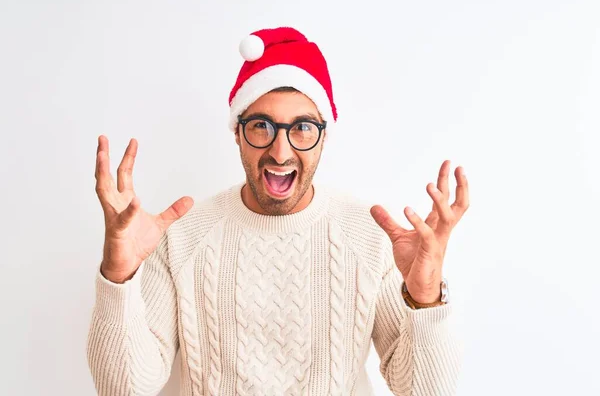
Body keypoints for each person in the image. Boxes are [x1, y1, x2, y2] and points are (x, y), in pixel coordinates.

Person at [87, 26, 469, 396]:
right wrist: (118, 277)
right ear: (237, 132)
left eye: (302, 127)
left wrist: (425, 297)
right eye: (261, 126)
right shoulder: (183, 236)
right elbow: (123, 389)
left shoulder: (369, 236)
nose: (281, 152)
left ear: (323, 137)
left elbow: (425, 391)